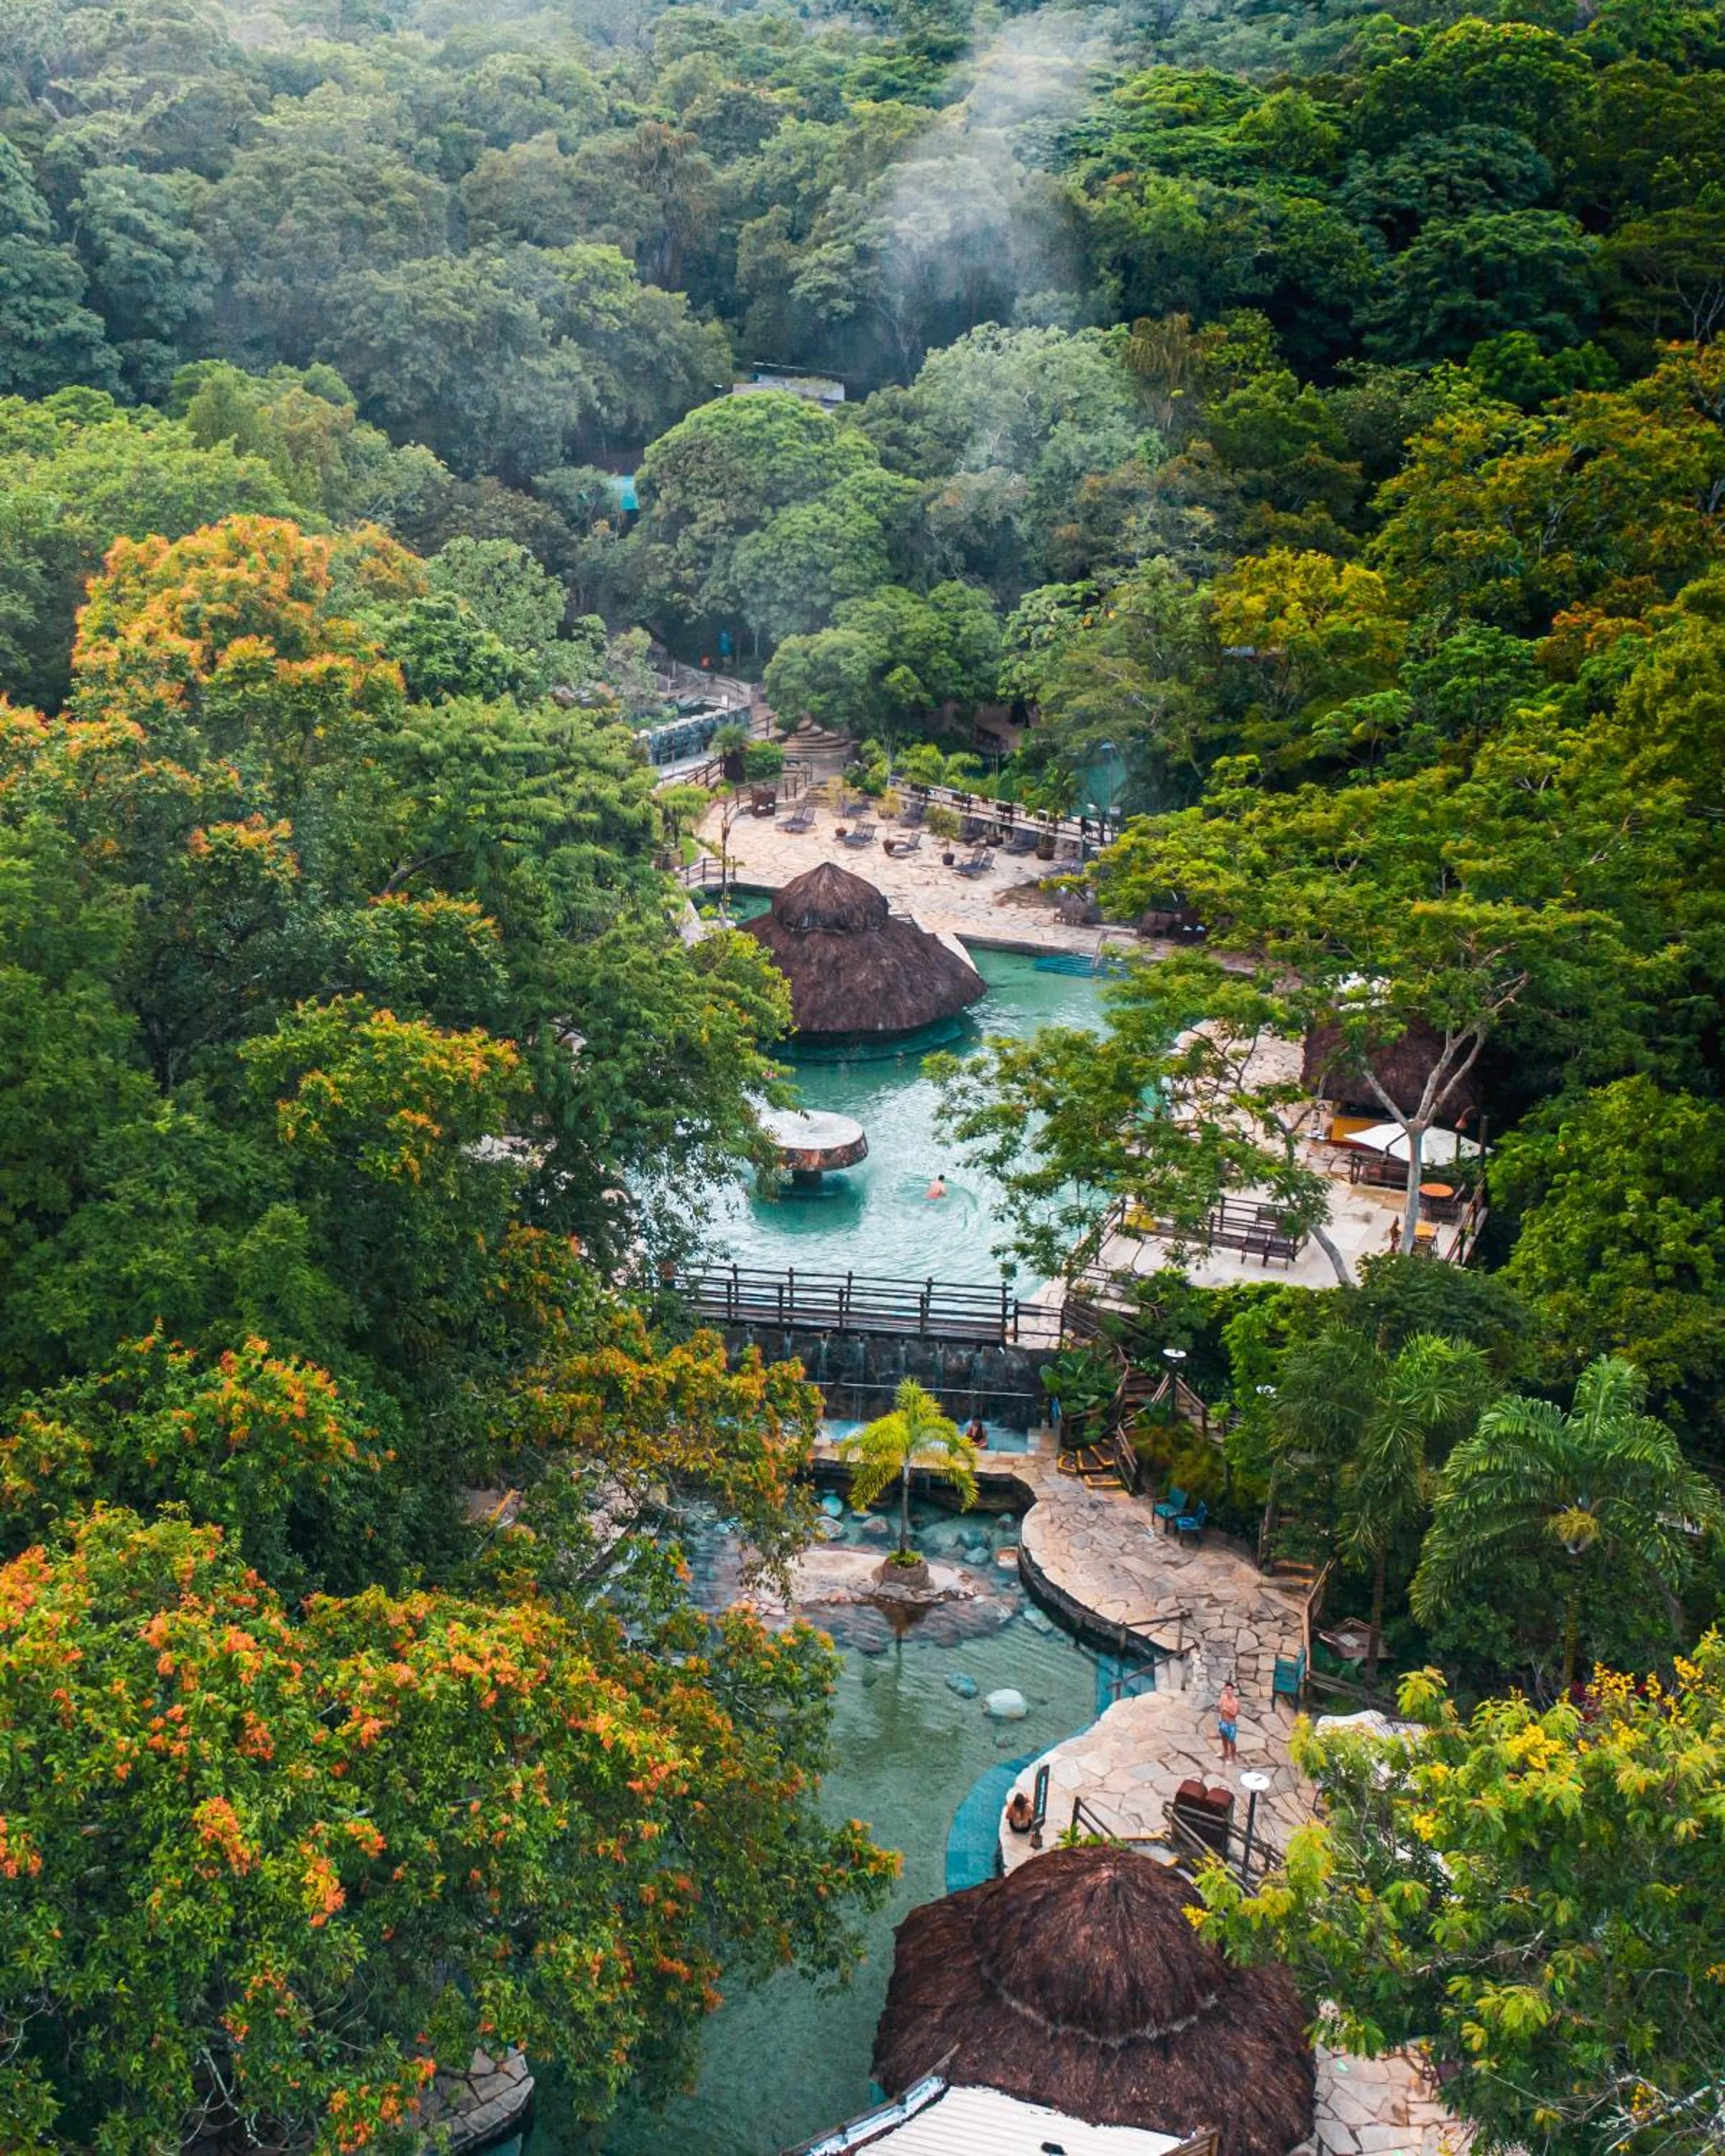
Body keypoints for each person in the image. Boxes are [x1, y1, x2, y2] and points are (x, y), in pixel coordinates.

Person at [1217, 1677, 1240, 1765]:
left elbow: (1234, 1714)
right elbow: (1219, 1709)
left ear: (1233, 1691)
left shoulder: (1235, 1701)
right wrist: (1218, 1707)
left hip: (1231, 1724)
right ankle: (1225, 1752)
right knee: (1223, 1737)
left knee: (1231, 1741)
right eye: (1227, 1690)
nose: (1228, 1691)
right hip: (1223, 1722)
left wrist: (1226, 1709)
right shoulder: (1223, 1697)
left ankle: (1233, 1757)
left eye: (1230, 1690)